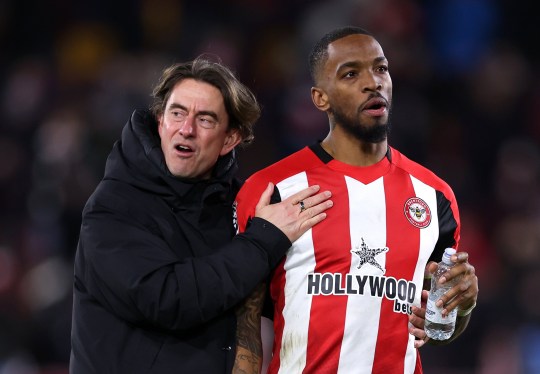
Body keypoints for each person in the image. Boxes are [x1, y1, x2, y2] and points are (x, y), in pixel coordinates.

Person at [233, 26, 479, 374]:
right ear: (321, 98)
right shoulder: (272, 188)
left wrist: (462, 306)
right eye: (351, 74)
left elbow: (436, 330)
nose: (373, 82)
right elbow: (245, 326)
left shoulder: (434, 196)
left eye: (381, 69)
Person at [69, 56, 333, 373]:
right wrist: (262, 241)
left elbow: (292, 298)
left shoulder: (242, 207)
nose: (187, 129)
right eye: (177, 113)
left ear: (230, 139)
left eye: (205, 119)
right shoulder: (113, 207)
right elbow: (167, 299)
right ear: (160, 121)